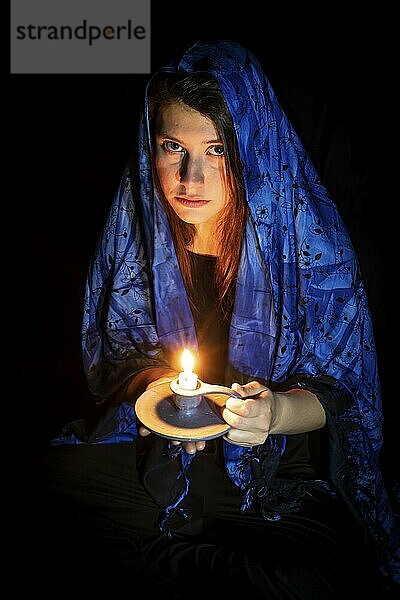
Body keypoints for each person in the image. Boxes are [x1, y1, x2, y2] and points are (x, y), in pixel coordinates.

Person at [25, 39, 399, 598]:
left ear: (252, 150)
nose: (189, 177)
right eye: (172, 146)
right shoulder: (144, 235)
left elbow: (346, 396)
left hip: (280, 478)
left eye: (217, 150)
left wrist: (271, 415)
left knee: (304, 582)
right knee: (38, 489)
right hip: (169, 460)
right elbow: (127, 358)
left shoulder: (307, 246)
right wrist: (167, 403)